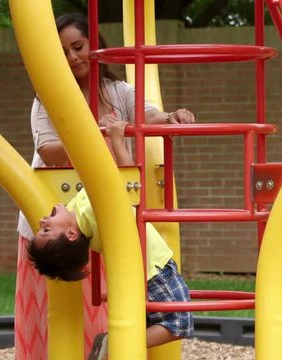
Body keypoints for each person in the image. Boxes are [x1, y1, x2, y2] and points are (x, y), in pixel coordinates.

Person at [16, 12, 195, 239]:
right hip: (60, 220)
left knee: (113, 268)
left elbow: (147, 115)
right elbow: (48, 152)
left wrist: (173, 117)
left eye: (78, 46)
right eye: (63, 52)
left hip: (103, 216)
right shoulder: (49, 97)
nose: (72, 57)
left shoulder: (118, 91)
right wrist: (96, 134)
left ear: (95, 45)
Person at [27, 120, 193, 360]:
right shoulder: (95, 214)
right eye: (45, 231)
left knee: (146, 320)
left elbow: (103, 174)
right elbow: (131, 186)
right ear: (71, 235)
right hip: (154, 270)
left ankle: (118, 343)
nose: (41, 222)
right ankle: (115, 342)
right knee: (179, 323)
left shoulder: (79, 212)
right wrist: (116, 140)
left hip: (139, 273)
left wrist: (100, 139)